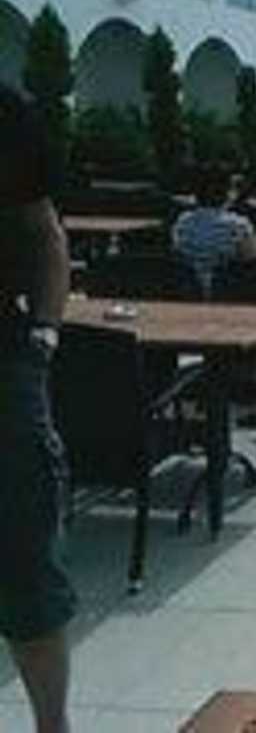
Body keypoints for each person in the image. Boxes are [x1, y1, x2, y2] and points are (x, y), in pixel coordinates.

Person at [2, 83, 76, 733]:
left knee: (26, 564)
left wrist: (45, 335)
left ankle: (52, 726)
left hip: (5, 367)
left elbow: (46, 233)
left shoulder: (5, 112)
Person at [169, 172, 256, 296]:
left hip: (186, 286)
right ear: (227, 195)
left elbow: (177, 251)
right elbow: (250, 258)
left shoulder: (183, 221)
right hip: (228, 288)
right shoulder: (239, 224)